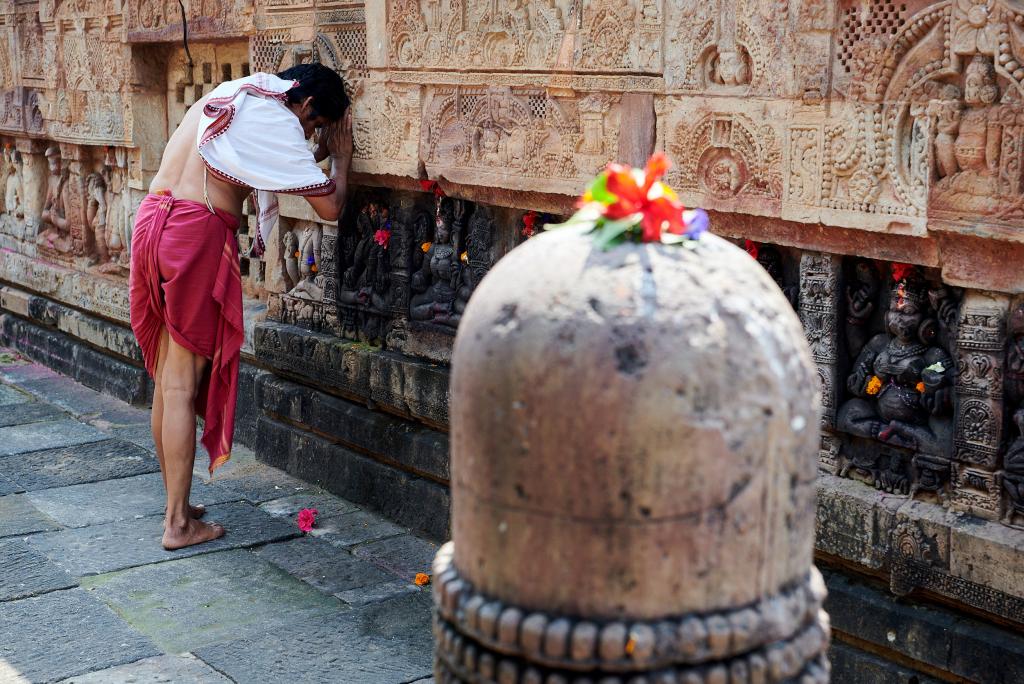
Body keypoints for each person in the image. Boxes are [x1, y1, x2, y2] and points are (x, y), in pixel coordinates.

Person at [129, 63, 353, 550]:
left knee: (169, 373)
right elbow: (331, 207)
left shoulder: (240, 90)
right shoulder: (279, 121)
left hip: (154, 218)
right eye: (314, 125)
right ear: (308, 105)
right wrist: (342, 155)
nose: (311, 135)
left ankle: (179, 505)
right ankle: (177, 525)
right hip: (194, 232)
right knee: (182, 380)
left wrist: (308, 146)